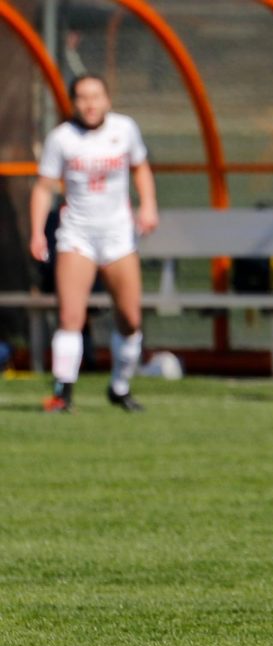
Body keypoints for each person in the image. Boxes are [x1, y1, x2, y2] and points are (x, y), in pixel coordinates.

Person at [30, 74, 157, 413]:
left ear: (107, 99)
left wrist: (148, 204)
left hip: (117, 235)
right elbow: (44, 188)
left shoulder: (125, 129)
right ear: (73, 103)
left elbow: (140, 167)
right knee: (71, 316)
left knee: (130, 319)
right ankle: (62, 393)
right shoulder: (62, 139)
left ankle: (119, 386)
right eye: (83, 98)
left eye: (96, 96)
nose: (90, 104)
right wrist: (37, 231)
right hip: (77, 235)